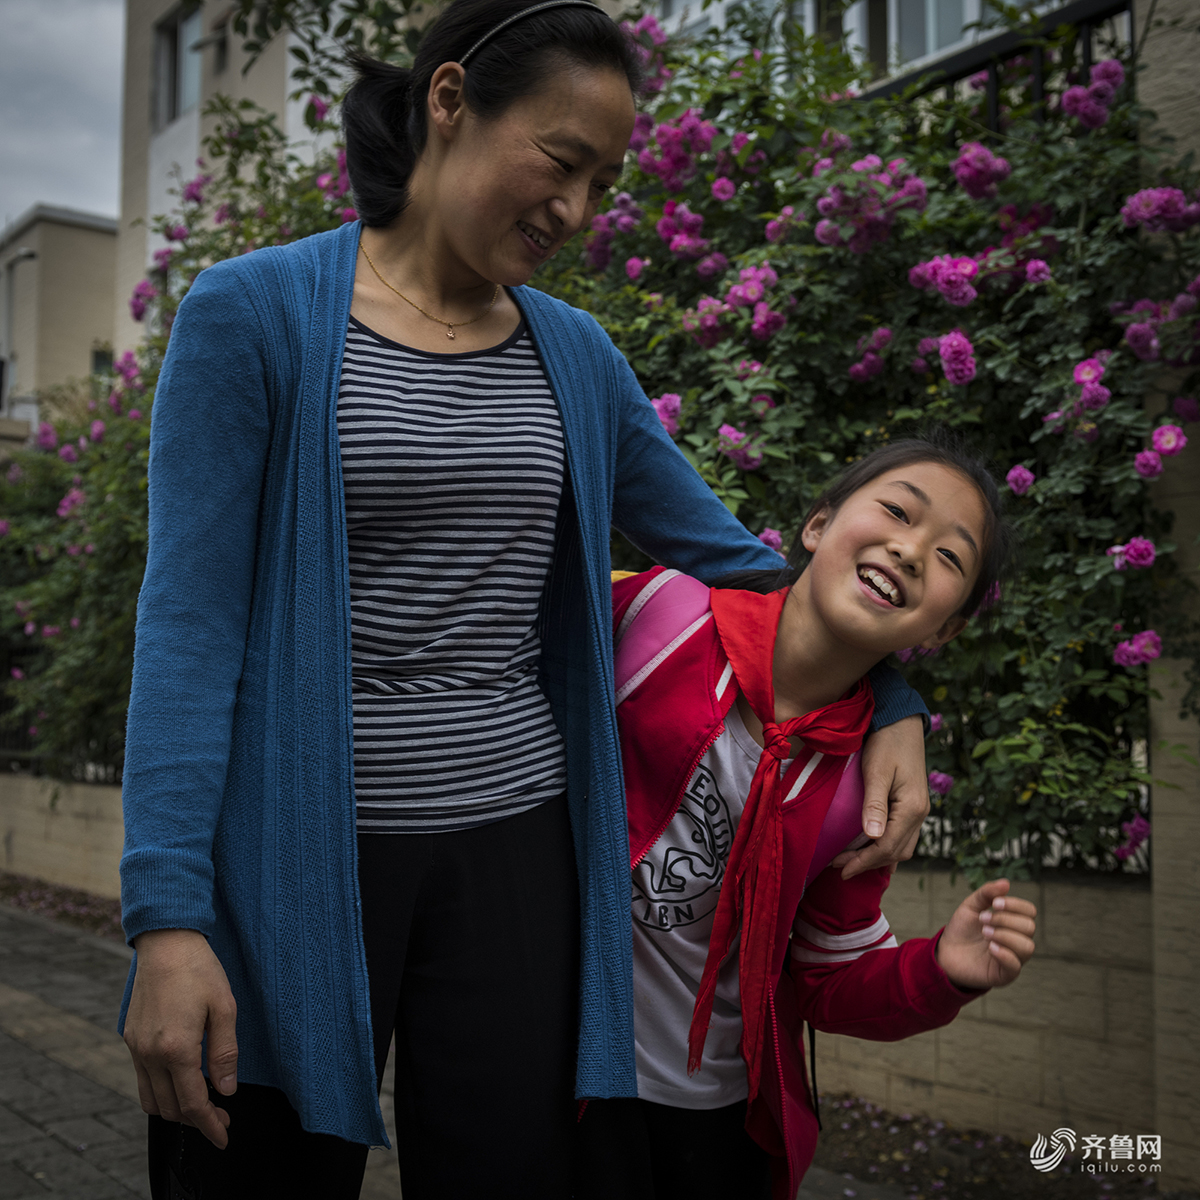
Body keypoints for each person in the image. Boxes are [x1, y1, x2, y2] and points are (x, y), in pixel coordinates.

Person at [117, 3, 933, 1197]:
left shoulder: (579, 359)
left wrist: (899, 693)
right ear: (450, 102)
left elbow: (745, 562)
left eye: (603, 183)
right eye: (560, 162)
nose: (577, 212)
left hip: (518, 850)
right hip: (290, 854)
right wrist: (167, 922)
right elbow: (189, 629)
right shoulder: (253, 316)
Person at [577, 437, 1037, 1200]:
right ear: (817, 525)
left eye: (950, 558)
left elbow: (831, 979)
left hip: (717, 1120)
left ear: (944, 629)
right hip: (569, 1074)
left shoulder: (873, 791)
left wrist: (940, 973)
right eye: (895, 511)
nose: (910, 548)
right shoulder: (661, 615)